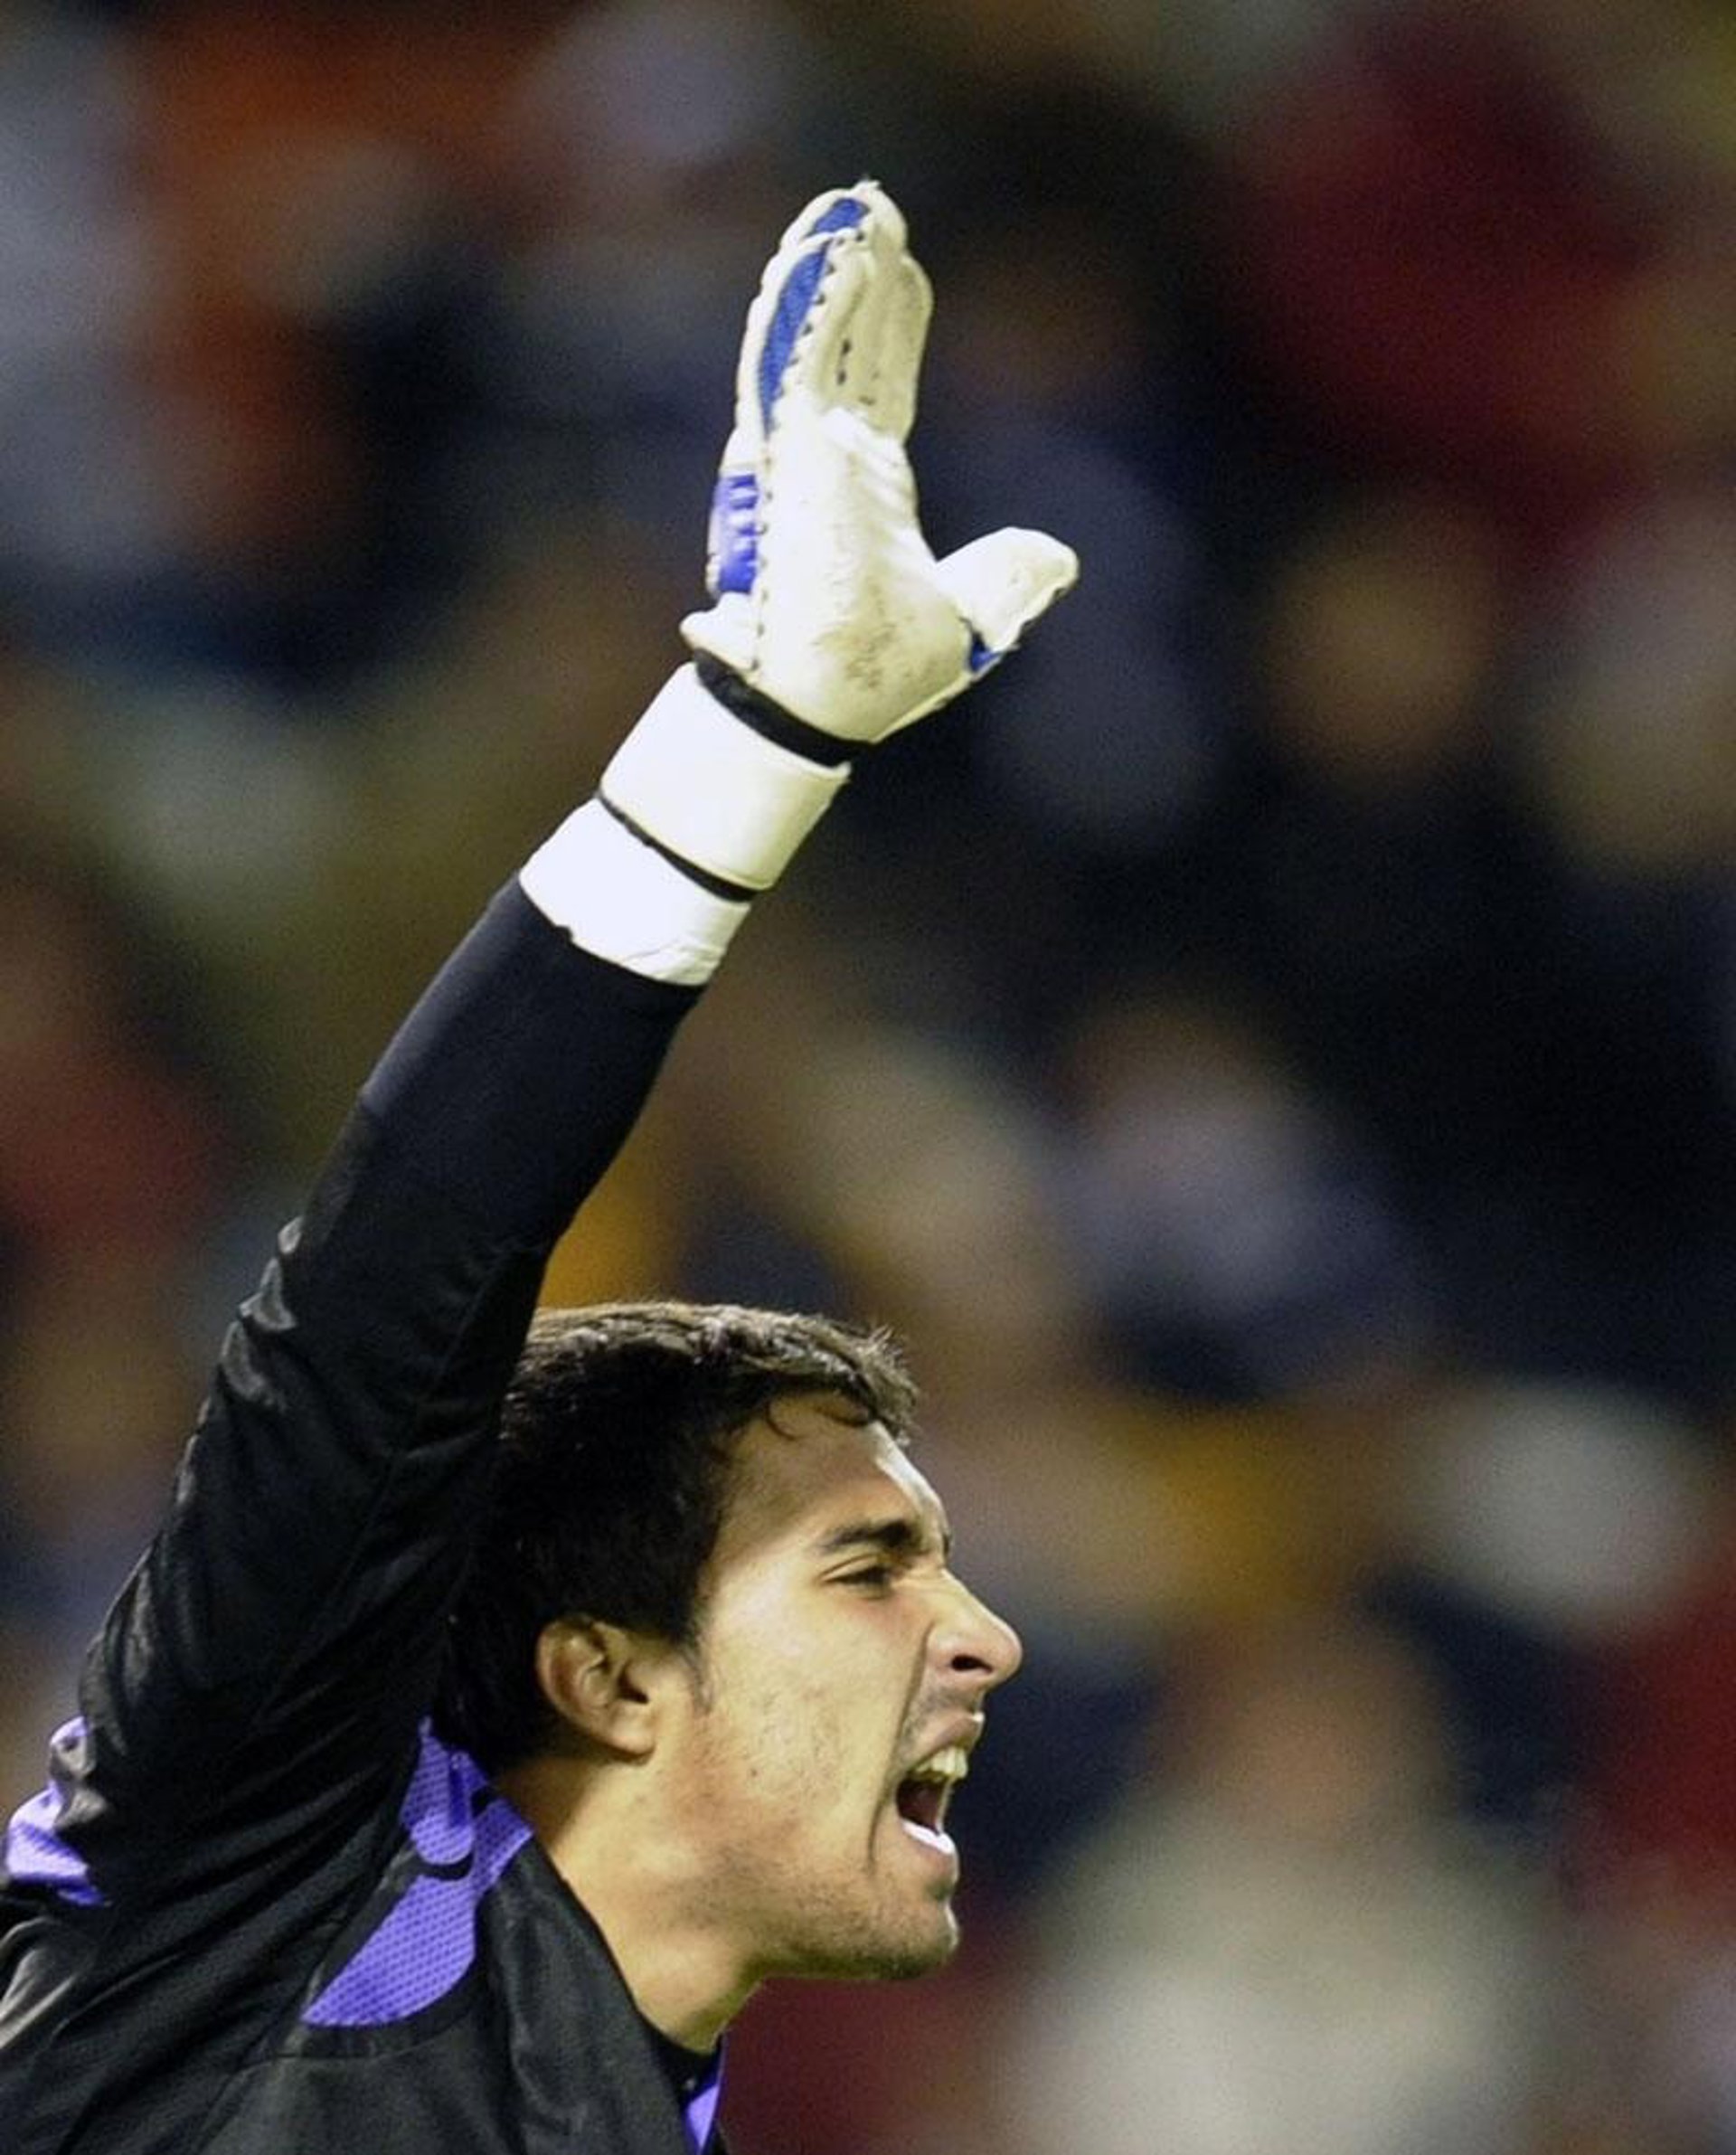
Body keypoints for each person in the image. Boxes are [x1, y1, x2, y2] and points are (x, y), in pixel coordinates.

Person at [0, 181, 1078, 2154]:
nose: (983, 1634)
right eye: (869, 1565)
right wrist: (753, 742)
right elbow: (389, 1291)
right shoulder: (245, 1884)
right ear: (605, 1674)